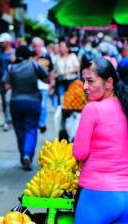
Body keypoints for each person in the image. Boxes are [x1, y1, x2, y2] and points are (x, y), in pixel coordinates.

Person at [73, 58, 128, 223]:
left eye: (90, 81)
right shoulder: (125, 106)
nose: (84, 87)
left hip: (97, 194)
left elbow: (79, 153)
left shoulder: (93, 109)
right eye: (84, 81)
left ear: (108, 82)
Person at [3, 45, 48, 171]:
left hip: (16, 102)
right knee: (31, 129)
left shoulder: (11, 67)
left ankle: (23, 155)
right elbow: (46, 78)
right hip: (33, 102)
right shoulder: (34, 65)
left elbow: (6, 85)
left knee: (19, 130)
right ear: (29, 55)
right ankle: (28, 154)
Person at [31, 37, 53, 133]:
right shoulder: (30, 57)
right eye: (35, 46)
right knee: (34, 106)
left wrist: (52, 82)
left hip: (44, 85)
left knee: (43, 105)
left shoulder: (47, 57)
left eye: (39, 46)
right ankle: (35, 122)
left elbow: (51, 70)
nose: (37, 48)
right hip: (32, 86)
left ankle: (42, 123)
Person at [0, 32, 14, 131]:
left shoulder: (14, 53)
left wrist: (10, 82)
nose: (1, 43)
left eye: (3, 42)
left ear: (8, 42)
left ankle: (9, 121)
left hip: (11, 82)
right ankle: (6, 119)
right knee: (4, 101)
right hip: (1, 81)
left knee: (8, 101)